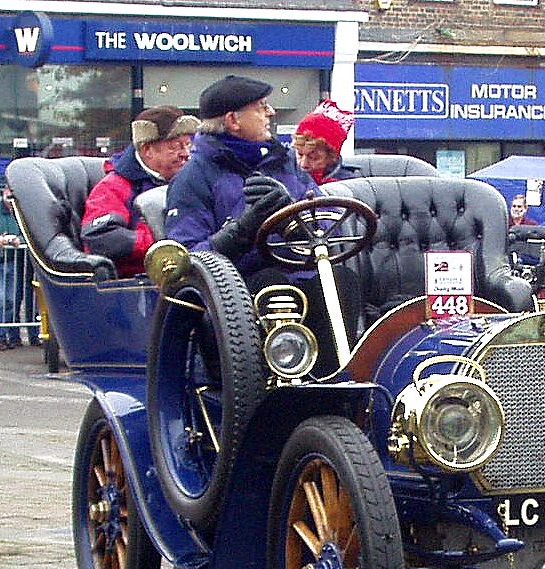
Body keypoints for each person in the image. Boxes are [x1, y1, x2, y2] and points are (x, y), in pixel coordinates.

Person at [164, 75, 354, 373]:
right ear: (233, 120)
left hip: (302, 274)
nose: (271, 113)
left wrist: (293, 212)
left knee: (342, 282)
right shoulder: (194, 177)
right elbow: (185, 259)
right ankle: (282, 387)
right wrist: (242, 229)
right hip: (235, 294)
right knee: (272, 286)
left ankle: (339, 381)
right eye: (261, 107)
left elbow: (331, 226)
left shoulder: (285, 163)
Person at [81, 106, 199, 276]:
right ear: (147, 150)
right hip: (140, 286)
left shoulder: (194, 181)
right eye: (174, 147)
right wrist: (164, 241)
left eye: (188, 144)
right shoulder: (114, 187)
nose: (185, 153)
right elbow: (100, 237)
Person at [0, 187, 32, 350]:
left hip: (13, 261)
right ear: (4, 192)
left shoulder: (20, 212)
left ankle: (8, 335)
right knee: (0, 298)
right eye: (9, 196)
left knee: (11, 300)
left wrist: (18, 240)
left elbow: (28, 233)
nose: (10, 200)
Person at [292, 100, 359, 185]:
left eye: (314, 158)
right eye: (300, 154)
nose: (303, 164)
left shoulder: (348, 184)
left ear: (331, 158)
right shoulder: (285, 176)